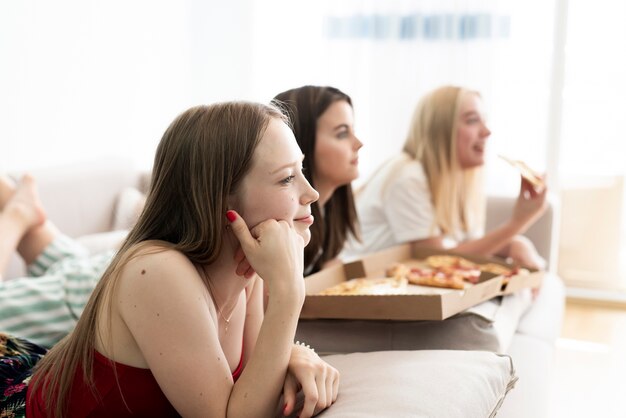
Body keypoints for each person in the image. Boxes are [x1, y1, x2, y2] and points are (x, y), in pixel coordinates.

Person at [27, 102, 339, 418]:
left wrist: (296, 354)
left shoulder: (249, 268)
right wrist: (289, 293)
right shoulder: (157, 271)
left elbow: (257, 388)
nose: (311, 192)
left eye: (302, 171)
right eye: (287, 178)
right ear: (220, 195)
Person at [0, 175, 120, 349]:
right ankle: (17, 214)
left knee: (73, 274)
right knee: (74, 284)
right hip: (93, 294)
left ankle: (19, 210)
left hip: (95, 281)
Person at [272, 86, 362, 275]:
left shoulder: (331, 210)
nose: (358, 143)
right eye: (342, 133)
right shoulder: (281, 224)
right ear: (301, 142)